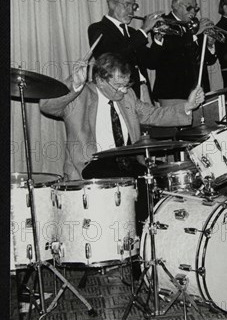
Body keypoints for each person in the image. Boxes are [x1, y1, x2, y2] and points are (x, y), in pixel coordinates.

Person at [39, 53, 205, 234]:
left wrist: (187, 106)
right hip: (91, 165)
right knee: (127, 189)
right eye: (118, 86)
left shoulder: (128, 96)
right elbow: (48, 105)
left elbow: (152, 114)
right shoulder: (80, 96)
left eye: (127, 85)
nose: (124, 91)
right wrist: (75, 84)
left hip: (126, 162)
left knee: (156, 181)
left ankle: (148, 242)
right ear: (100, 80)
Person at [88, 0, 164, 102]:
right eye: (127, 5)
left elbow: (151, 62)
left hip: (142, 90)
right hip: (119, 93)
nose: (131, 11)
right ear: (112, 4)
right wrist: (144, 30)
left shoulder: (133, 33)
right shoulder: (97, 28)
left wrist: (158, 38)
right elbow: (112, 56)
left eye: (133, 6)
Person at [152, 0, 218, 106]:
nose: (193, 11)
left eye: (195, 8)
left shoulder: (194, 25)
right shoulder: (163, 22)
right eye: (189, 7)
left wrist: (210, 44)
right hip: (173, 93)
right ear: (175, 6)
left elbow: (209, 60)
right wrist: (194, 34)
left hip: (198, 92)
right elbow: (170, 50)